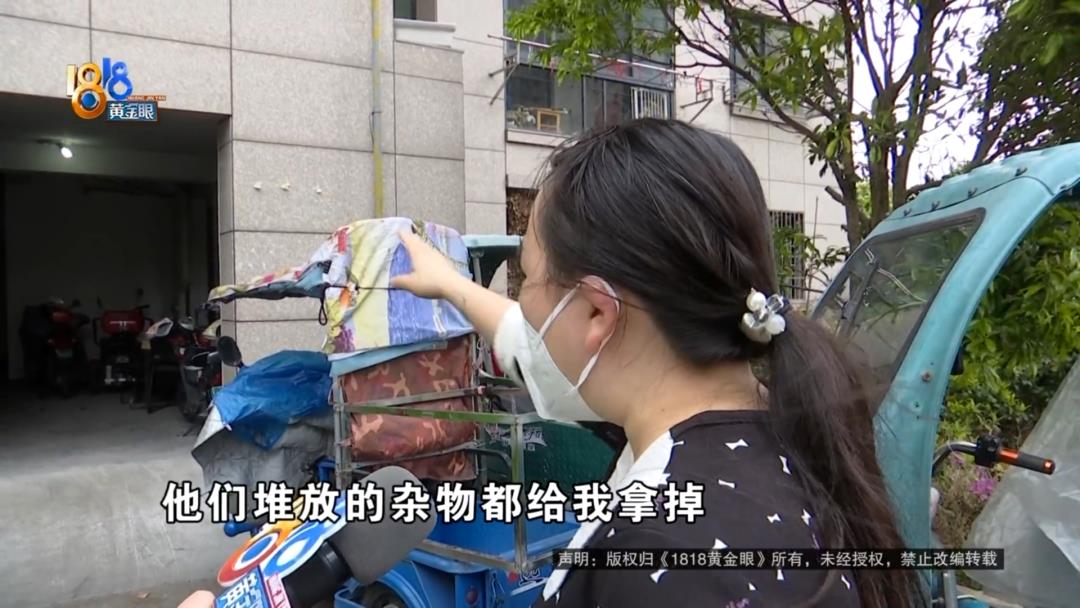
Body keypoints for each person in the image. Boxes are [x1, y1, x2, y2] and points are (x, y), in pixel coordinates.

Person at [390, 118, 919, 607]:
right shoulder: (785, 434)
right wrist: (450, 284)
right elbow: (530, 344)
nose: (522, 299)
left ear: (597, 311)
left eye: (526, 275)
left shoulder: (659, 564)